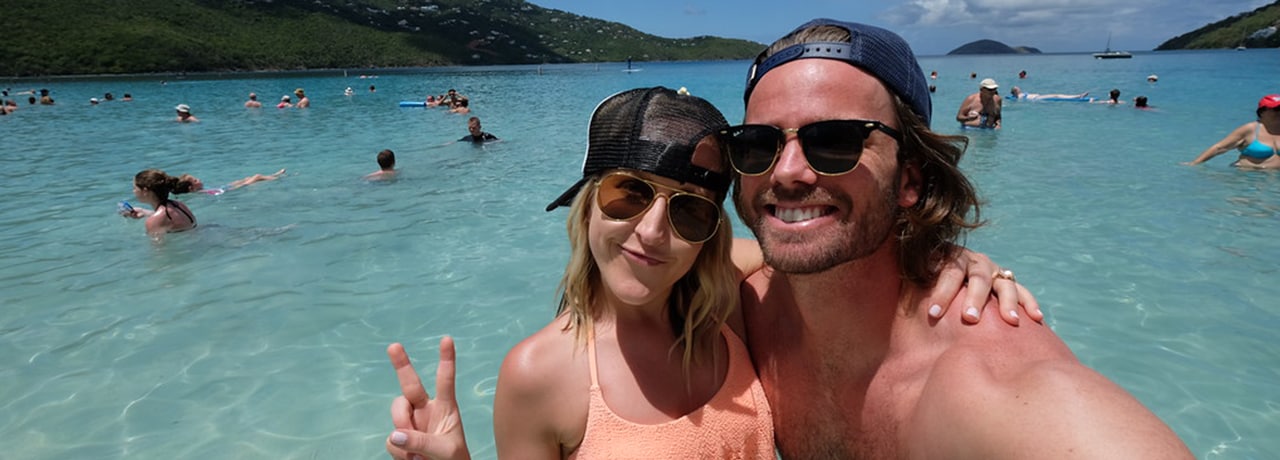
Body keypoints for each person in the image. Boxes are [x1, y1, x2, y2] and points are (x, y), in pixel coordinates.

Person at [383, 87, 1038, 459]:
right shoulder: (541, 374)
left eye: (691, 214)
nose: (652, 232)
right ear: (586, 207)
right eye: (627, 196)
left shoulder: (732, 304)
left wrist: (943, 262)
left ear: (711, 237)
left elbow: (836, 261)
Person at [729, 18, 1193, 458]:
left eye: (836, 141)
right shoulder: (737, 304)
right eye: (757, 144)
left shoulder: (994, 384)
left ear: (910, 179)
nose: (786, 171)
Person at [1183, 94, 1280, 169]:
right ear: (1262, 112)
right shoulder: (1250, 129)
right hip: (1247, 178)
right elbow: (1219, 148)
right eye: (1276, 109)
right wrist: (1194, 163)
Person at [122, 169, 197, 238]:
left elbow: (159, 250)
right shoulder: (178, 205)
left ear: (145, 191)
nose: (133, 191)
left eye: (135, 188)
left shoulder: (154, 221)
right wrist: (144, 212)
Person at [176, 169, 286, 196]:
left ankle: (274, 175)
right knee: (257, 177)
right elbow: (218, 193)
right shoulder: (200, 193)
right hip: (230, 190)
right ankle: (278, 178)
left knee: (247, 177)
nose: (199, 179)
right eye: (195, 181)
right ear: (191, 188)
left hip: (225, 187)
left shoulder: (200, 191)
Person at [1007, 86, 1090, 101]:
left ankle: (1077, 96)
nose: (1019, 88)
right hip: (1037, 98)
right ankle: (1078, 96)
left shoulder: (1020, 94)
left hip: (1038, 97)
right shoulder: (1018, 96)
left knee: (1057, 95)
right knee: (1056, 95)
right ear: (1015, 91)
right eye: (1017, 88)